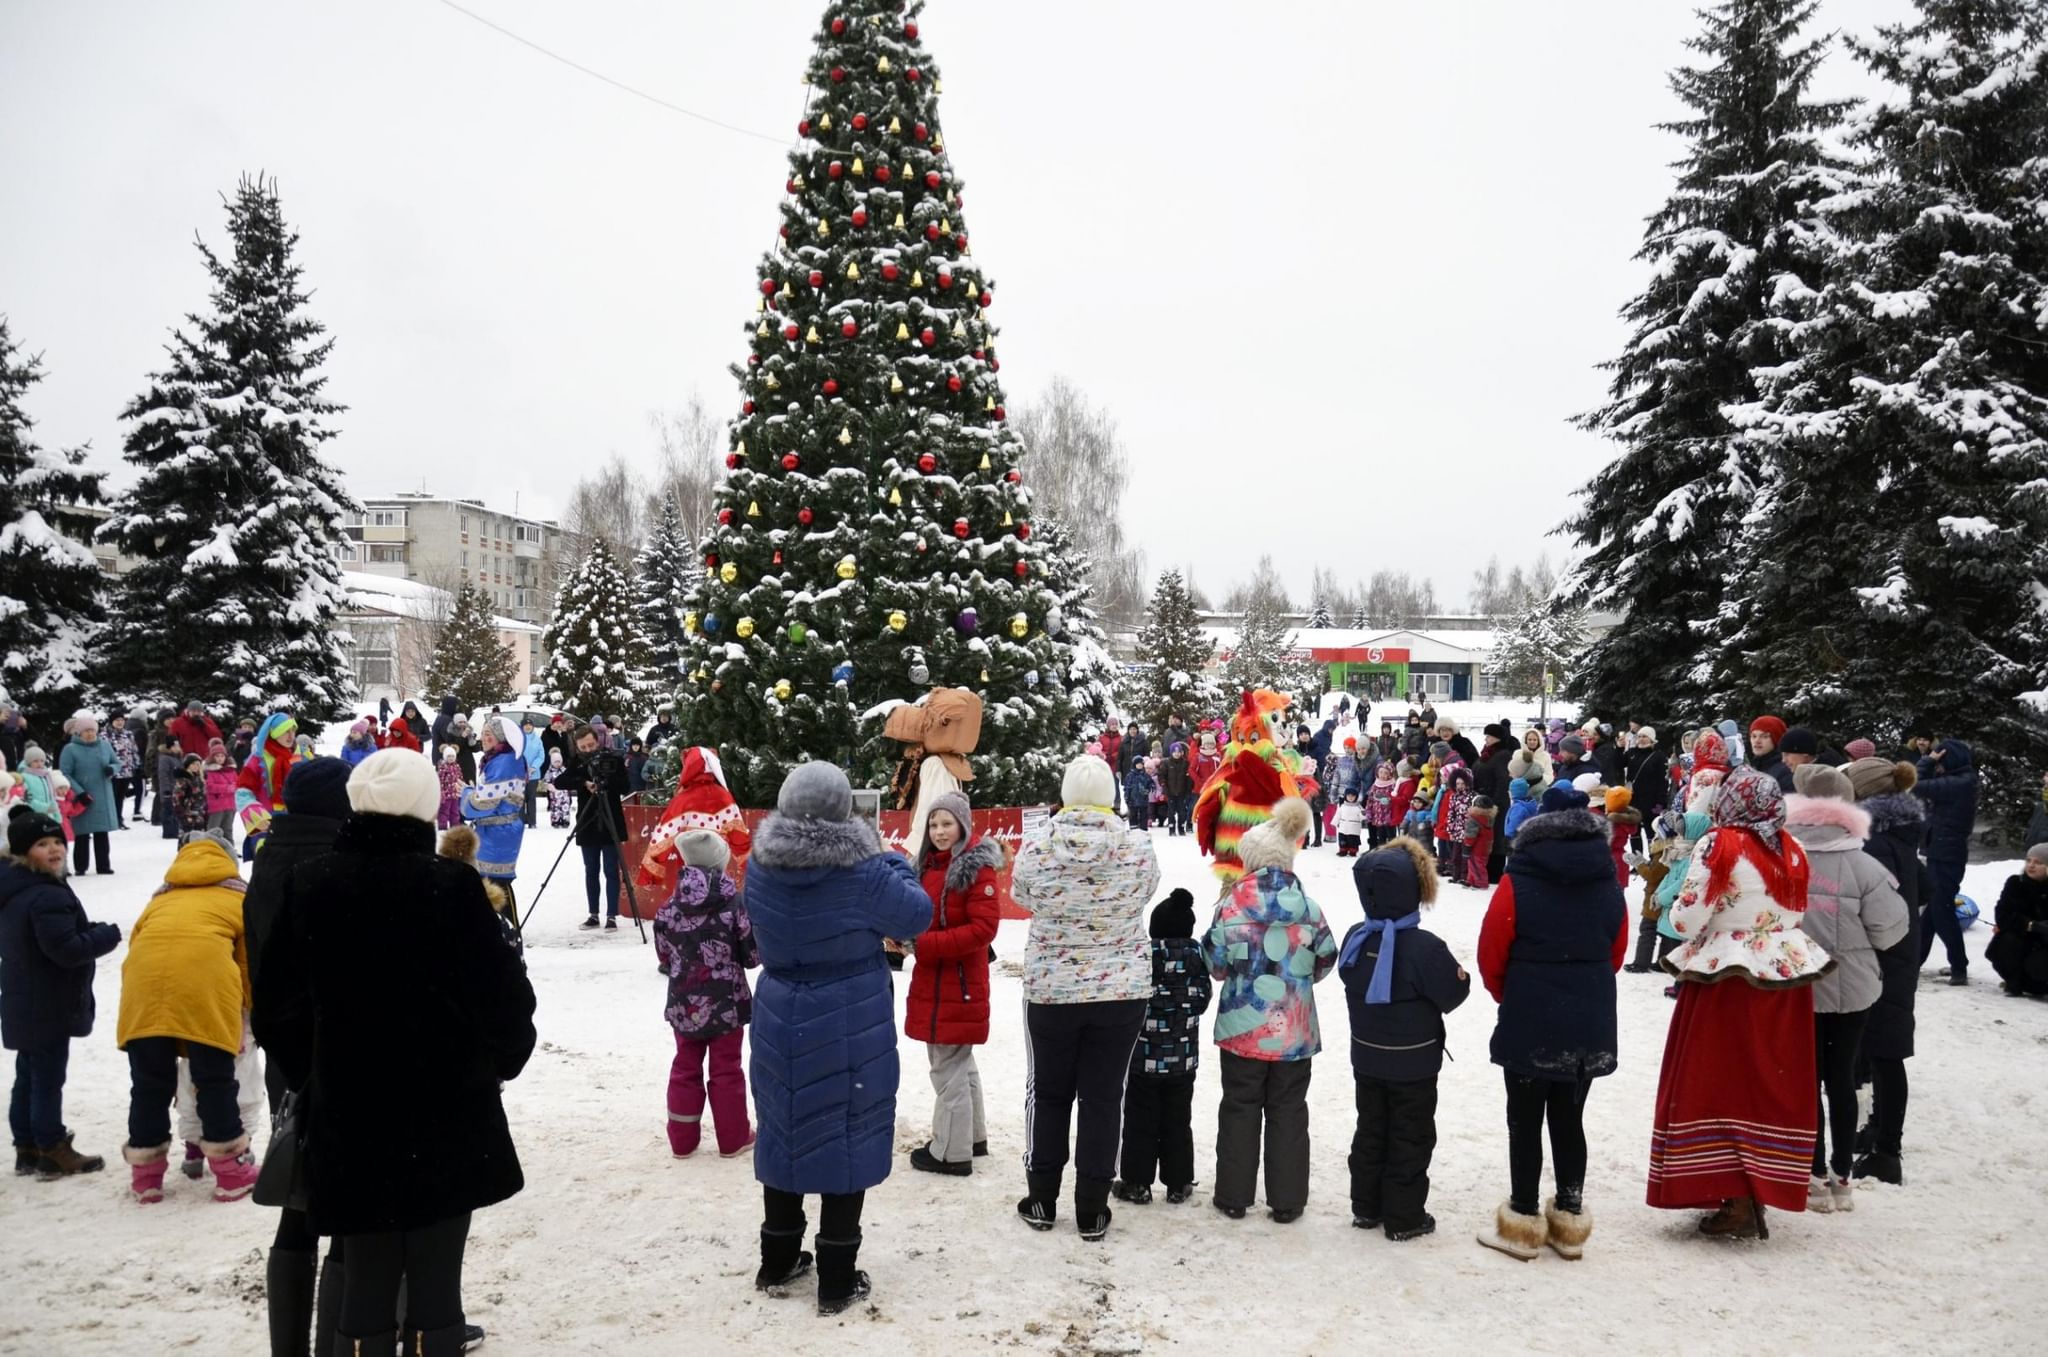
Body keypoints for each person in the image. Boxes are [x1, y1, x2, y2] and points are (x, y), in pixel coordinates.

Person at [253, 748, 536, 1355]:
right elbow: (507, 1002)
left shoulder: (312, 885)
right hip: (448, 1112)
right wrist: (495, 1064)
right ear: (426, 809)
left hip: (351, 1117)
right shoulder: (451, 887)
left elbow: (276, 1006)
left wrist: (319, 1070)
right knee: (437, 1283)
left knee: (365, 1276)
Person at [743, 762, 931, 1315]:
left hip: (780, 1009)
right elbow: (916, 915)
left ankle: (776, 1260)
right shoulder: (868, 871)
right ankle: (836, 1279)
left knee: (784, 1129)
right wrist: (892, 860)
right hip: (851, 1013)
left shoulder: (758, 865)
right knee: (846, 1135)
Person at [1647, 767, 1830, 1241]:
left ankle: (1731, 1192)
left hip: (1728, 976)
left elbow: (1686, 920)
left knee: (1716, 1080)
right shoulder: (1791, 847)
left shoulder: (1720, 844)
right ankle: (1758, 1185)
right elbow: (1797, 910)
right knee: (1769, 1080)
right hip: (1785, 974)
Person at [1475, 783, 1627, 1260]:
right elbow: (1616, 950)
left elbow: (1491, 950)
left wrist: (1512, 993)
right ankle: (1568, 1216)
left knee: (1524, 1118)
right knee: (1569, 1116)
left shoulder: (1519, 877)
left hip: (1531, 1009)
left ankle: (1522, 1220)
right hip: (1590, 1012)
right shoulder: (1607, 878)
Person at [1010, 754, 1157, 1239]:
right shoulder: (1137, 849)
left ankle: (1042, 1198)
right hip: (1120, 992)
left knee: (1048, 1093)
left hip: (1053, 990)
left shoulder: (1037, 847)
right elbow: (1144, 893)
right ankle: (1092, 1207)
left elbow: (1023, 896)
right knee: (1103, 1098)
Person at [242, 758, 351, 1357]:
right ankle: (339, 1339)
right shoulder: (328, 864)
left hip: (283, 1046)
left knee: (299, 1203)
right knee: (348, 1205)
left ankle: (291, 1346)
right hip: (333, 1049)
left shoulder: (269, 858)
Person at [1201, 797, 1337, 1224]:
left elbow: (1215, 963)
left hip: (1243, 1030)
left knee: (1239, 1107)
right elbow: (1327, 957)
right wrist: (1297, 985)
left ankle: (1233, 1195)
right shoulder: (1310, 909)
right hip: (1295, 1033)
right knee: (1289, 1111)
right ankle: (1288, 1199)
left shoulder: (1230, 907)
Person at [1785, 765, 1910, 1211]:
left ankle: (1812, 1172)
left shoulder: (1783, 859)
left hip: (1798, 985)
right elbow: (1892, 929)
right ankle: (1841, 1176)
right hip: (1853, 989)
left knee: (1805, 1077)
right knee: (1841, 1078)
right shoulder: (1865, 866)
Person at [116, 831, 259, 1204]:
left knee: (148, 1084)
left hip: (144, 993)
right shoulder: (236, 897)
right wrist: (247, 1017)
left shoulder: (160, 899)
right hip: (204, 993)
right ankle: (231, 1174)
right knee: (214, 1080)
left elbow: (136, 946)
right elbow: (246, 966)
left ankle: (146, 1176)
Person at [1340, 837, 1468, 1241]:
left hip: (1367, 1056)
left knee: (1371, 1128)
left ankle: (1366, 1206)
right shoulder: (1424, 947)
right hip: (1413, 1064)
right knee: (1410, 1135)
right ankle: (1404, 1216)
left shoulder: (1356, 938)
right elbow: (1452, 994)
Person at [1, 808, 123, 1179]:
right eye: (42, 844)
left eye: (58, 841)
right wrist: (105, 935)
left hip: (24, 995)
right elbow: (66, 950)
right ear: (24, 853)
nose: (54, 850)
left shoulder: (15, 887)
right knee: (47, 1077)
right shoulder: (44, 894)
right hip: (48, 1000)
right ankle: (52, 1148)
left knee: (30, 1072)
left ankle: (27, 1146)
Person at [902, 791, 1002, 1176]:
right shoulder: (927, 865)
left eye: (947, 823)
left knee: (947, 1068)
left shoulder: (975, 868)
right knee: (960, 1062)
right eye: (933, 824)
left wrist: (922, 943)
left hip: (957, 984)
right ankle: (972, 1137)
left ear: (963, 825)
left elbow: (983, 929)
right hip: (937, 980)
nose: (940, 831)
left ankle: (950, 1152)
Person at [1839, 756, 1924, 1185]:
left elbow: (1874, 905)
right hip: (1898, 953)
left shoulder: (1875, 841)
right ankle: (1877, 1132)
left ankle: (1887, 1152)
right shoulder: (1899, 835)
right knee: (1879, 1049)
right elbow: (1926, 887)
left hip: (1882, 954)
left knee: (1886, 1054)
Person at [656, 829, 758, 1159]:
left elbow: (664, 955)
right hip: (726, 1005)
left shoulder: (669, 907)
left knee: (685, 1068)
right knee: (727, 1069)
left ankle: (682, 1141)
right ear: (720, 862)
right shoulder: (735, 903)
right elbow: (752, 956)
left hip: (684, 1006)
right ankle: (733, 1138)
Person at [1113, 888, 1212, 1206]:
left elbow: (1129, 998)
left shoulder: (1145, 954)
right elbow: (1203, 998)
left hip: (1143, 1058)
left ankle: (1136, 1182)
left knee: (1140, 1120)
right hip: (1183, 1060)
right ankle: (1178, 1183)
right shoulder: (1197, 955)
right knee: (1178, 1120)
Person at [1913, 739, 1978, 985]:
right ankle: (1916, 961)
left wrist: (1927, 761)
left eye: (1940, 760)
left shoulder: (1962, 782)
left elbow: (1916, 785)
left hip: (1947, 853)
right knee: (1933, 910)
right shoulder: (1959, 780)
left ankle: (1959, 967)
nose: (1937, 766)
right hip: (1941, 850)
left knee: (1941, 910)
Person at [460, 716, 529, 920]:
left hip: (498, 832)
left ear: (501, 737)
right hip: (496, 831)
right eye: (482, 734)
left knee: (497, 885)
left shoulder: (504, 762)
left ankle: (509, 936)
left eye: (488, 734)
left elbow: (483, 803)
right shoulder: (499, 759)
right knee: (492, 885)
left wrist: (466, 795)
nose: (483, 738)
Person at [563, 722, 629, 930]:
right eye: (583, 747)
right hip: (589, 821)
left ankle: (612, 915)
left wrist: (607, 781)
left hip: (611, 820)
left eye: (591, 745)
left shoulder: (612, 759)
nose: (588, 750)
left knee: (611, 869)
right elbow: (560, 781)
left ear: (597, 741)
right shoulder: (576, 763)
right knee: (591, 869)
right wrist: (584, 782)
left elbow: (626, 786)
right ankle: (593, 913)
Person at [57, 711, 117, 876]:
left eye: (92, 730)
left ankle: (103, 865)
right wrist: (80, 792)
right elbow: (65, 773)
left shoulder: (104, 745)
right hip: (82, 798)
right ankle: (80, 866)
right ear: (79, 732)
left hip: (102, 794)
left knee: (101, 832)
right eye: (86, 731)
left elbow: (117, 762)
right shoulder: (70, 749)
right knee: (82, 833)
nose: (90, 734)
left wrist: (112, 769)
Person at [1987, 844, 2048, 998]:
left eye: (2038, 862)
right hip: (2019, 941)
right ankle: (2014, 983)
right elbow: (2003, 914)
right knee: (2008, 940)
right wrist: (2030, 925)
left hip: (2042, 946)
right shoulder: (2016, 883)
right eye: (2029, 860)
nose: (2031, 865)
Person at [234, 712, 300, 851]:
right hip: (267, 824)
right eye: (285, 731)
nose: (291, 735)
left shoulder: (297, 757)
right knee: (268, 864)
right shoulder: (258, 759)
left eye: (293, 730)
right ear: (273, 732)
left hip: (294, 822)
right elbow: (242, 792)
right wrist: (259, 817)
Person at [167, 700, 224, 769]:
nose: (196, 714)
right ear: (188, 711)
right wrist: (177, 751)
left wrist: (204, 726)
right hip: (186, 759)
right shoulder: (178, 722)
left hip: (204, 758)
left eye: (199, 711)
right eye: (193, 711)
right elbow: (171, 739)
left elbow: (217, 737)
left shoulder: (207, 721)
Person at [107, 713, 140, 829]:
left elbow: (134, 750)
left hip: (127, 770)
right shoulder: (106, 735)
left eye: (121, 720)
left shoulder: (128, 734)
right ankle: (112, 819)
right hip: (113, 772)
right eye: (117, 720)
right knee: (113, 796)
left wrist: (137, 765)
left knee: (121, 796)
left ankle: (119, 818)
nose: (120, 722)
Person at [203, 739, 239, 845]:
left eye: (222, 756)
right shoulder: (210, 771)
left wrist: (234, 787)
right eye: (217, 756)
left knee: (228, 829)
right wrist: (226, 788)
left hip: (230, 805)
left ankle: (229, 849)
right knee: (213, 829)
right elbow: (210, 786)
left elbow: (238, 783)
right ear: (212, 757)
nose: (220, 758)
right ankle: (210, 848)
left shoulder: (231, 771)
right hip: (216, 805)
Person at [1747, 715, 1794, 792]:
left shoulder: (1786, 771)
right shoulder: (1753, 768)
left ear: (1777, 740)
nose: (1757, 741)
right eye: (1754, 736)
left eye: (1764, 736)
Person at [1160, 742, 1194, 837]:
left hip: (1182, 792)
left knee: (1182, 812)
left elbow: (1189, 778)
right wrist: (1164, 787)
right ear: (1171, 752)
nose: (1177, 753)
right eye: (1174, 752)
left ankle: (1181, 828)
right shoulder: (1166, 763)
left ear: (1182, 753)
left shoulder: (1185, 763)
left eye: (1179, 752)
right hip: (1170, 792)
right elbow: (1162, 776)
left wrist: (1188, 790)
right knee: (1171, 812)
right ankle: (1171, 829)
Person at [173, 753, 210, 836]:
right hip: (187, 814)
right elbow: (177, 798)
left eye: (198, 764)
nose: (196, 766)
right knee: (187, 839)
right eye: (193, 764)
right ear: (188, 765)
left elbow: (203, 796)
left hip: (200, 813)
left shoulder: (200, 779)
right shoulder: (183, 780)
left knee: (200, 839)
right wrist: (181, 814)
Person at [1365, 762, 1399, 849]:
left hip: (1389, 817)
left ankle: (1392, 851)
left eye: (1385, 773)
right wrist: (1369, 812)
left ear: (1390, 774)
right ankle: (1381, 852)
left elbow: (1395, 800)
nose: (1382, 775)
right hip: (1378, 816)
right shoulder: (1375, 785)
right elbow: (1370, 800)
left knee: (1391, 836)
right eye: (1381, 772)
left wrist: (1389, 802)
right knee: (1381, 836)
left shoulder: (1392, 785)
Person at [436, 745, 464, 830]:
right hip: (446, 795)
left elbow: (460, 778)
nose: (451, 758)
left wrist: (461, 787)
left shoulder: (457, 766)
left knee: (455, 812)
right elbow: (440, 781)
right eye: (449, 756)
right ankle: (442, 827)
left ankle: (454, 826)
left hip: (455, 794)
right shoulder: (443, 767)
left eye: (452, 756)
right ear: (445, 757)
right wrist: (441, 792)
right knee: (444, 812)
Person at [1334, 788, 1365, 858]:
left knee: (1353, 840)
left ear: (1356, 797)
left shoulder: (1359, 807)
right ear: (1345, 796)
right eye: (1349, 796)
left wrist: (1363, 814)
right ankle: (1343, 850)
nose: (1350, 798)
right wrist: (1335, 822)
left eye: (1352, 796)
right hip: (1343, 827)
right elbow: (1338, 814)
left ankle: (1353, 851)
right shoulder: (1342, 806)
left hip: (1354, 828)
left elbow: (1362, 818)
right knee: (1342, 840)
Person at [545, 748, 571, 828]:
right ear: (552, 762)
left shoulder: (564, 770)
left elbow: (569, 778)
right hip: (555, 794)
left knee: (565, 807)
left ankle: (565, 820)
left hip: (565, 793)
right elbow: (546, 781)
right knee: (555, 808)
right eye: (556, 762)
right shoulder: (550, 771)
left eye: (559, 762)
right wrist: (549, 786)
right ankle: (555, 820)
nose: (558, 764)